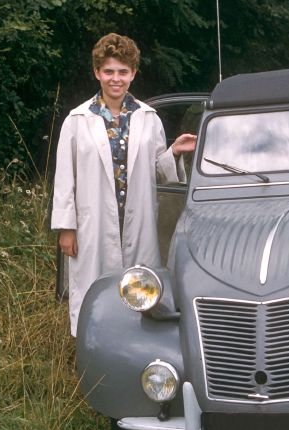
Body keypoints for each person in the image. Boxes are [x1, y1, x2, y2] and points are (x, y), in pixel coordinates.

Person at [51, 33, 196, 336]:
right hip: (94, 221)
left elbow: (157, 171)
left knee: (140, 288)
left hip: (137, 221)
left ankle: (136, 347)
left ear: (133, 74)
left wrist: (175, 152)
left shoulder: (149, 118)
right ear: (97, 73)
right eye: (108, 71)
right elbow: (65, 178)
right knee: (94, 290)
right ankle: (92, 348)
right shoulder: (77, 120)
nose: (115, 79)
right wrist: (67, 228)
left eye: (122, 72)